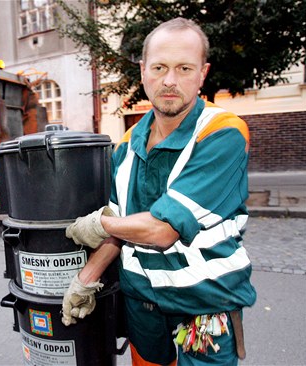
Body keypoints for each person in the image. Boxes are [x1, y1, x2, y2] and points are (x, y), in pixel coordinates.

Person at [61, 18, 256, 366]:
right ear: (142, 71)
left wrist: (101, 225)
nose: (169, 80)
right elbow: (122, 223)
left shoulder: (222, 132)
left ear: (203, 73)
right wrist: (85, 280)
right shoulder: (124, 146)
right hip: (143, 304)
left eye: (184, 68)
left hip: (204, 304)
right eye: (160, 67)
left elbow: (161, 230)